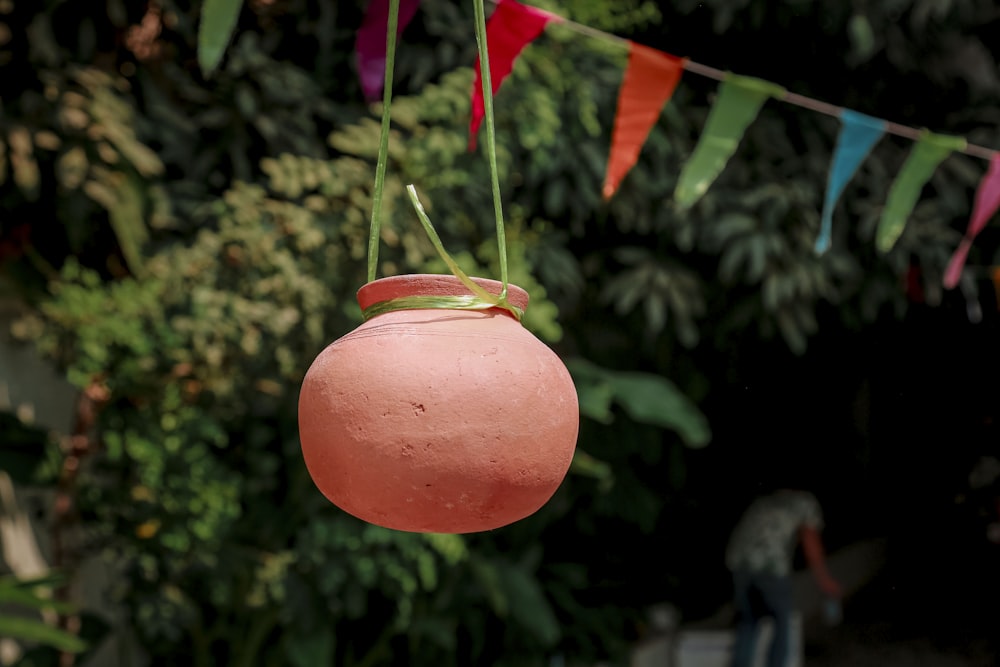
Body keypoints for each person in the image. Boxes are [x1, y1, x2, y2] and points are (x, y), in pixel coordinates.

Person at [725, 486, 842, 667]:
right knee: (782, 626)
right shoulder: (805, 502)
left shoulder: (765, 500)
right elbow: (810, 542)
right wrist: (825, 580)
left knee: (748, 623)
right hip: (771, 566)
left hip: (739, 565)